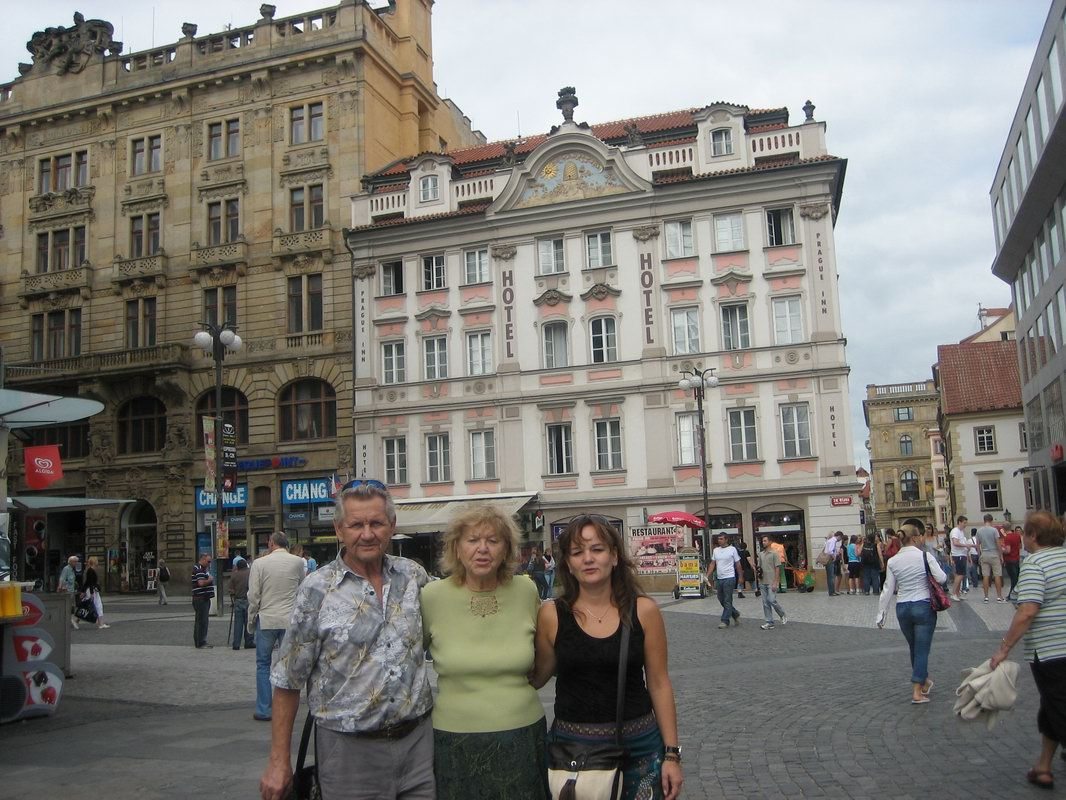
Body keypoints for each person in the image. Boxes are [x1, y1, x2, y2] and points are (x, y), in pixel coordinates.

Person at [260, 481, 434, 800]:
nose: (367, 534)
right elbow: (287, 680)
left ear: (392, 525)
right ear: (339, 529)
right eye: (356, 525)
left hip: (417, 749)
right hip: (348, 754)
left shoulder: (413, 576)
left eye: (376, 523)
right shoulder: (316, 589)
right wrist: (278, 761)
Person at [532, 515, 683, 800]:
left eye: (597, 549)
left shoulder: (644, 611)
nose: (588, 558)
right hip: (574, 751)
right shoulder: (552, 615)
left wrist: (672, 754)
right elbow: (537, 676)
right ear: (568, 564)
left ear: (614, 557)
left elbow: (659, 683)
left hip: (638, 747)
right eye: (577, 552)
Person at [421, 504, 546, 800]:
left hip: (523, 735)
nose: (482, 549)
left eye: (493, 540)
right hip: (453, 739)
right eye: (472, 540)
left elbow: (545, 657)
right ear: (457, 548)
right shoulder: (431, 596)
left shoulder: (526, 591)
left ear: (507, 549)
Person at [989, 511, 1066, 791]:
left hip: (1051, 649)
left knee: (1059, 707)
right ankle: (1043, 767)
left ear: (1032, 535)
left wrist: (1004, 648)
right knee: (1052, 706)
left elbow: (1027, 611)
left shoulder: (1035, 563)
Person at [875, 521, 946, 704]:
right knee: (921, 649)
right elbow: (942, 578)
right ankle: (917, 692)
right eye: (920, 536)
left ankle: (924, 681)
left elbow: (888, 589)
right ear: (914, 538)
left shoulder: (893, 561)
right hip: (923, 605)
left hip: (903, 608)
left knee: (914, 647)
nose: (922, 538)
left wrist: (881, 614)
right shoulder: (925, 556)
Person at [246, 531, 305, 722]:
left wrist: (251, 618)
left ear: (271, 543)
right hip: (288, 619)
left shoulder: (259, 563)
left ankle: (264, 709)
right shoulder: (297, 562)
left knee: (263, 664)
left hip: (267, 619)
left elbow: (253, 595)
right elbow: (302, 589)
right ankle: (286, 709)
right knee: (288, 665)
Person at [709, 534, 741, 628]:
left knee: (727, 599)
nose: (719, 540)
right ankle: (735, 613)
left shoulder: (732, 549)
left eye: (721, 539)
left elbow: (738, 564)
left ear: (726, 540)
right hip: (720, 578)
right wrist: (708, 575)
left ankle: (725, 620)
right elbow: (712, 564)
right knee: (721, 598)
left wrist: (740, 577)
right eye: (718, 539)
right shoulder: (716, 550)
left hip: (729, 577)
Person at [757, 536, 787, 629]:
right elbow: (759, 568)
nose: (763, 542)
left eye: (765, 541)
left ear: (770, 542)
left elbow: (777, 568)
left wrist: (775, 582)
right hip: (763, 581)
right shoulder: (761, 554)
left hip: (771, 581)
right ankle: (769, 622)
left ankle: (782, 613)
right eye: (763, 541)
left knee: (771, 600)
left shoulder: (774, 553)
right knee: (765, 602)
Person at [975, 514, 1006, 603]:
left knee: (985, 576)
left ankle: (986, 597)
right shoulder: (994, 530)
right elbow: (998, 543)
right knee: (997, 575)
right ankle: (999, 597)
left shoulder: (979, 531)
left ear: (984, 520)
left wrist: (979, 555)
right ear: (991, 520)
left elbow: (977, 545)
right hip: (994, 553)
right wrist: (1001, 555)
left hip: (984, 554)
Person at [228, 557, 255, 651]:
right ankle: (249, 642)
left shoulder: (234, 575)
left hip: (238, 600)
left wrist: (233, 597)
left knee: (238, 624)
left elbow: (231, 590)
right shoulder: (250, 574)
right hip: (248, 600)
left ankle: (236, 643)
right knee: (249, 622)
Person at [191, 552, 215, 649]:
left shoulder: (202, 569)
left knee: (201, 620)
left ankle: (199, 640)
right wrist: (210, 579)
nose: (209, 564)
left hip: (203, 598)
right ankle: (201, 642)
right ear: (203, 559)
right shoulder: (199, 569)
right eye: (208, 561)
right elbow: (201, 583)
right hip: (201, 599)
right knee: (202, 621)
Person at [949, 515, 973, 601]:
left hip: (961, 555)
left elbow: (961, 542)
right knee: (960, 575)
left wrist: (969, 546)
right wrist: (966, 545)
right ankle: (954, 593)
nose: (965, 525)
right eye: (964, 523)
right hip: (958, 555)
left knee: (961, 575)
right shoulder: (955, 531)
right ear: (959, 522)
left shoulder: (961, 532)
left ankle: (957, 593)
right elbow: (955, 542)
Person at [82, 556, 109, 630]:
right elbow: (90, 582)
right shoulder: (90, 571)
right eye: (97, 561)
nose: (98, 562)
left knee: (96, 606)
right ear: (94, 562)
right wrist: (91, 593)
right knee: (93, 606)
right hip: (92, 591)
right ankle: (100, 623)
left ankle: (100, 623)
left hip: (93, 591)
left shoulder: (91, 570)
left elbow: (88, 582)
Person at [57, 555, 81, 629]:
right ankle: (69, 621)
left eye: (76, 562)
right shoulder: (66, 569)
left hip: (72, 591)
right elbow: (62, 578)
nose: (76, 563)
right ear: (71, 562)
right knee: (68, 607)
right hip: (67, 591)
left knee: (71, 607)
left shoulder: (72, 570)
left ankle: (70, 621)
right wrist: (60, 586)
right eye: (75, 562)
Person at [1003, 524, 1023, 601]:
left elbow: (1008, 550)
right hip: (1016, 559)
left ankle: (1011, 595)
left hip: (1009, 560)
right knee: (1016, 578)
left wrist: (1002, 550)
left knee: (1013, 579)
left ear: (1004, 529)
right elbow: (1020, 546)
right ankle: (1015, 594)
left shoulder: (1007, 538)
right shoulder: (1017, 536)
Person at [821, 531, 840, 596]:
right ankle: (831, 592)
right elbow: (830, 551)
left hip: (830, 560)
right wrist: (834, 557)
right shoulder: (832, 541)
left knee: (832, 576)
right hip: (830, 560)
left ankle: (832, 591)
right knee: (831, 576)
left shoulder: (829, 541)